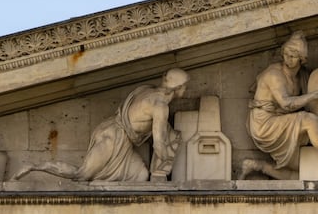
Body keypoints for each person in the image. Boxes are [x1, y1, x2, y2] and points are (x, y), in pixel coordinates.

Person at [14, 69, 190, 182]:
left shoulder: (147, 89)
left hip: (125, 145)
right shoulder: (160, 106)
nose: (186, 90)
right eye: (185, 86)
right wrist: (169, 158)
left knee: (141, 176)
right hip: (112, 137)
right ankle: (34, 166)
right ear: (178, 87)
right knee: (81, 175)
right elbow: (159, 144)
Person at [242, 32, 318, 180]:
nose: (288, 59)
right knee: (309, 120)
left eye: (293, 56)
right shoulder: (274, 74)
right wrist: (316, 94)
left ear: (302, 59)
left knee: (305, 170)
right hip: (264, 123)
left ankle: (255, 165)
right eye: (286, 54)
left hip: (282, 121)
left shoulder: (301, 76)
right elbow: (286, 104)